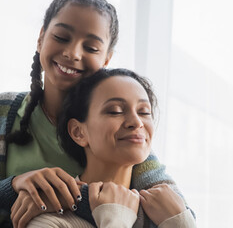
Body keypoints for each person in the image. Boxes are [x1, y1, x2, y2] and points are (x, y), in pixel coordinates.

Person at [0, 0, 188, 227]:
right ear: (40, 39)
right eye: (61, 36)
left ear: (106, 59)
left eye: (91, 47)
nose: (73, 53)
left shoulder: (121, 131)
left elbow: (177, 217)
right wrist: (9, 190)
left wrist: (58, 204)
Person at [20, 68, 194, 227]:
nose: (136, 122)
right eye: (115, 111)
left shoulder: (167, 211)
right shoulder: (49, 221)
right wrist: (116, 219)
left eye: (144, 112)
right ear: (78, 132)